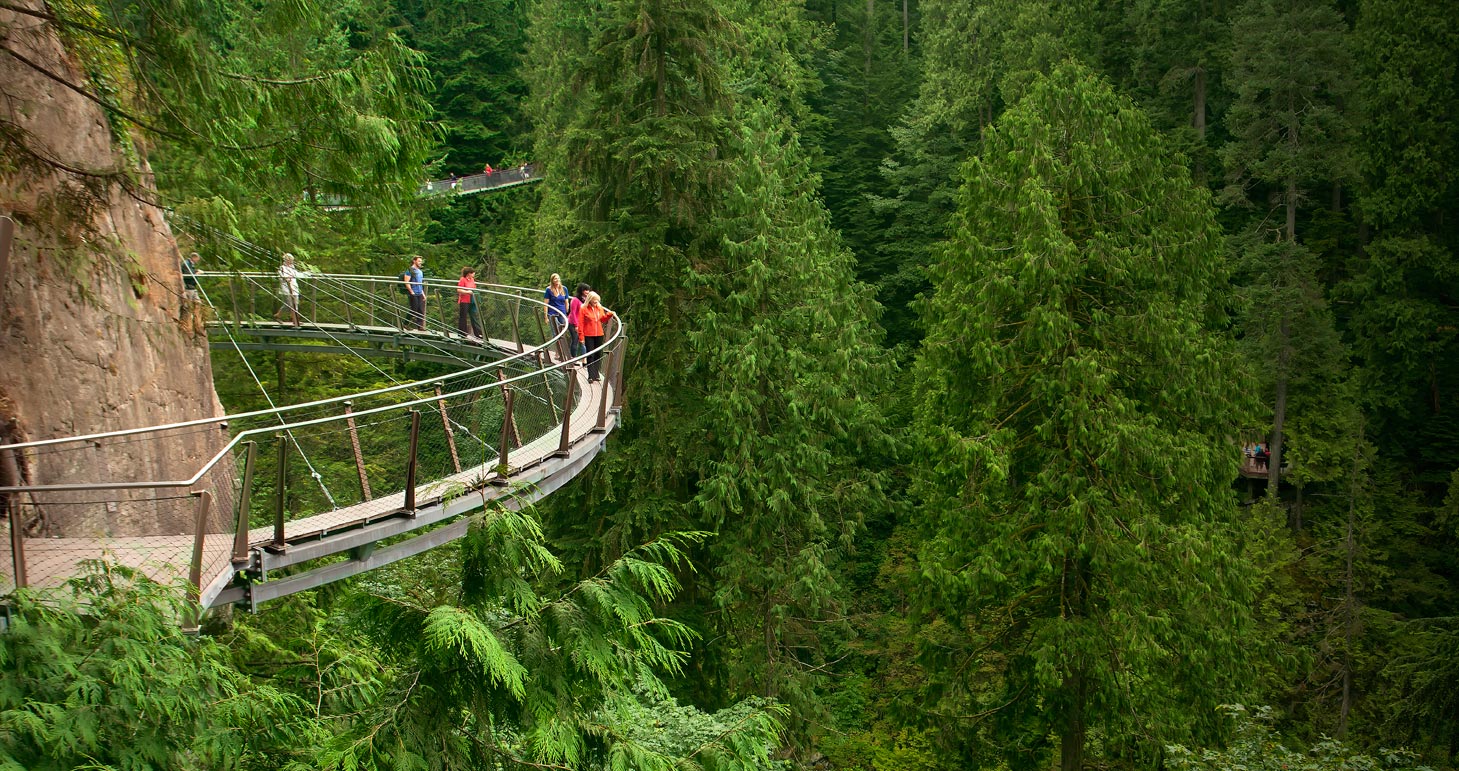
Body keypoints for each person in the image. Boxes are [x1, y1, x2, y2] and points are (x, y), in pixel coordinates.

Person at [578, 291, 614, 383]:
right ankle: (590, 375)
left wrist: (609, 315)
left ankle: (596, 374)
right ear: (590, 300)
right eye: (594, 301)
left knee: (598, 354)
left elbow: (602, 319)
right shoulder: (584, 308)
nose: (596, 302)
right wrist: (581, 337)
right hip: (588, 334)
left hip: (599, 334)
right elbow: (580, 324)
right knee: (590, 354)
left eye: (597, 301)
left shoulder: (599, 307)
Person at [274, 252, 301, 327]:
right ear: (286, 260)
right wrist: (287, 278)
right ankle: (280, 316)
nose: (291, 261)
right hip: (286, 288)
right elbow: (282, 277)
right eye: (290, 260)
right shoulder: (282, 268)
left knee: (295, 303)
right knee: (289, 304)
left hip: (294, 287)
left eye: (292, 260)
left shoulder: (292, 267)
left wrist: (307, 274)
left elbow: (297, 274)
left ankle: (294, 320)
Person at [457, 266, 484, 341]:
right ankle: (462, 333)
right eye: (473, 273)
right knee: (463, 316)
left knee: (474, 316)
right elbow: (459, 289)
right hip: (464, 300)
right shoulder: (463, 280)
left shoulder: (472, 279)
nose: (474, 274)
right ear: (469, 273)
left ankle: (478, 333)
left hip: (472, 300)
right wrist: (467, 292)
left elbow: (474, 288)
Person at [565, 282, 590, 362]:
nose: (587, 292)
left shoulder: (586, 300)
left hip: (582, 324)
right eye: (586, 290)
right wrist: (576, 325)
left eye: (588, 290)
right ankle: (573, 358)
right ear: (582, 290)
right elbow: (573, 313)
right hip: (573, 322)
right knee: (575, 340)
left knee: (583, 341)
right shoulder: (575, 300)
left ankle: (584, 360)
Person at [180, 251, 202, 332]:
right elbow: (188, 275)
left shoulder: (191, 264)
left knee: (198, 302)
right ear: (194, 258)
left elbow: (191, 272)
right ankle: (187, 322)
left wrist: (196, 271)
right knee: (188, 305)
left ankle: (197, 322)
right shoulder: (186, 263)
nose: (197, 261)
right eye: (197, 259)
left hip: (193, 287)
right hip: (188, 287)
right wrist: (197, 274)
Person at [403, 255, 426, 331]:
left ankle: (420, 326)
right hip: (413, 292)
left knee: (420, 310)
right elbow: (406, 282)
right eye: (419, 261)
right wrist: (411, 291)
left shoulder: (420, 272)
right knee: (413, 309)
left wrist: (423, 294)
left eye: (420, 261)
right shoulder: (410, 270)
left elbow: (420, 283)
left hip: (419, 292)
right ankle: (405, 324)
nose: (420, 263)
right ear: (414, 261)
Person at [544, 273, 570, 339]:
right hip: (552, 313)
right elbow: (545, 304)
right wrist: (546, 317)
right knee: (555, 331)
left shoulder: (564, 289)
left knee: (563, 331)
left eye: (558, 278)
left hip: (562, 312)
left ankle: (561, 347)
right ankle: (557, 347)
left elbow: (566, 302)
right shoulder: (548, 290)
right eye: (555, 279)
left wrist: (567, 312)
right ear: (552, 280)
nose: (557, 280)